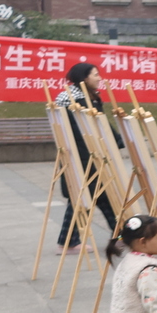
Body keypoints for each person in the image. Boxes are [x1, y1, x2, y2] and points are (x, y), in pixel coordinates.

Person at [54, 62, 119, 251]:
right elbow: (93, 128)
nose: (99, 78)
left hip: (83, 156)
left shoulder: (73, 97)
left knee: (96, 197)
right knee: (83, 198)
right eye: (95, 74)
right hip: (86, 157)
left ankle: (119, 236)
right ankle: (69, 242)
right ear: (84, 78)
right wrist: (117, 141)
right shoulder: (78, 102)